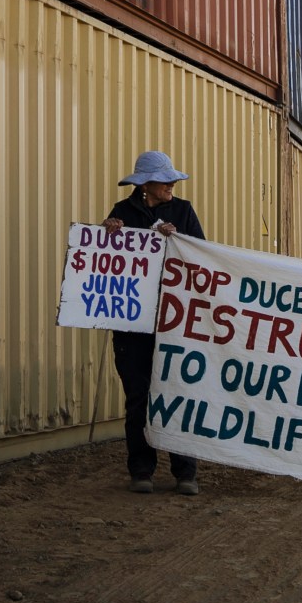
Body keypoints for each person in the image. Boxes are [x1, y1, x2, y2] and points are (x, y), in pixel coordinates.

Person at [102, 151, 205, 496]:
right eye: (165, 180)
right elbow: (103, 262)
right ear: (146, 185)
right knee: (138, 397)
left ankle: (185, 472)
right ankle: (141, 470)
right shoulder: (121, 213)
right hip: (132, 324)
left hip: (174, 320)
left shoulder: (183, 212)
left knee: (180, 392)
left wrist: (178, 240)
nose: (172, 185)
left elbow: (200, 258)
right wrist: (108, 235)